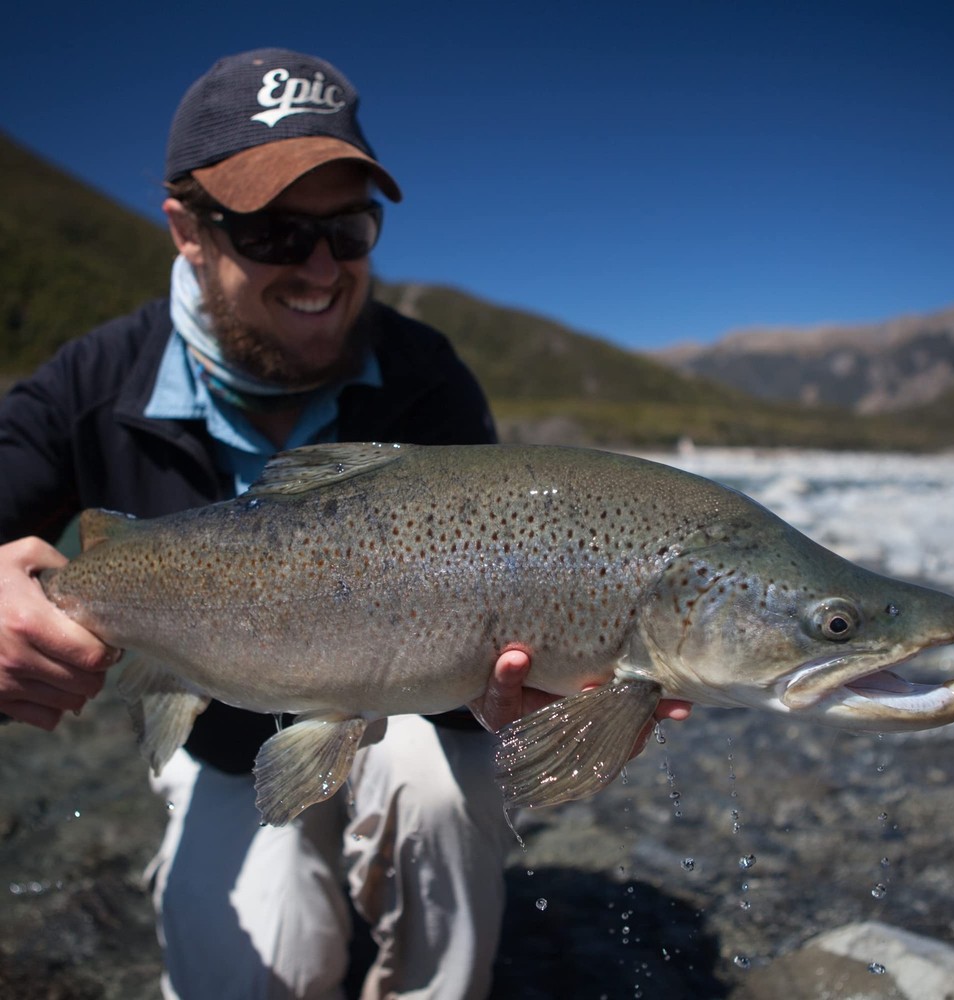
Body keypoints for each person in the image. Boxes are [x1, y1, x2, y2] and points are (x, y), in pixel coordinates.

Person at [0, 48, 691, 999]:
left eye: (350, 228)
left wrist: (537, 707)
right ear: (187, 232)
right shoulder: (92, 382)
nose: (321, 266)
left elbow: (497, 647)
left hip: (408, 720)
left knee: (440, 800)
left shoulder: (428, 377)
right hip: (218, 746)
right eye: (277, 233)